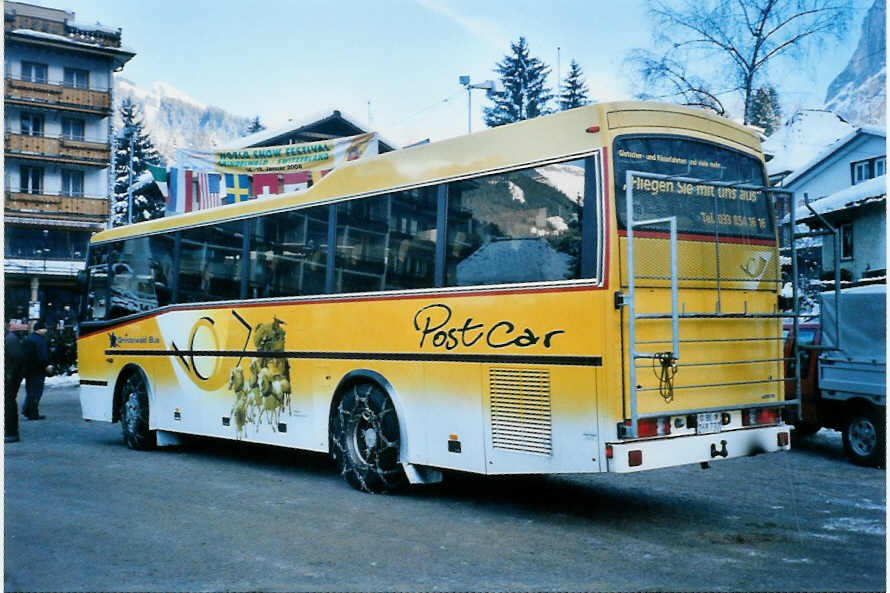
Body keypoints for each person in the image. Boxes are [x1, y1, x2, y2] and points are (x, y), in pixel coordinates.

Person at [22, 320, 53, 421]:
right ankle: (33, 413)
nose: (46, 330)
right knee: (36, 392)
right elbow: (42, 355)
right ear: (39, 329)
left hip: (28, 370)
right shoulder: (40, 340)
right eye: (44, 328)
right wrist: (46, 365)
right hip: (37, 370)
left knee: (30, 391)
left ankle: (27, 410)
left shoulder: (28, 338)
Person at [5, 321, 25, 442]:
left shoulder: (10, 339)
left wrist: (9, 376)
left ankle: (11, 433)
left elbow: (17, 360)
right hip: (10, 377)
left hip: (10, 379)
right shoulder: (9, 338)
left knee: (8, 403)